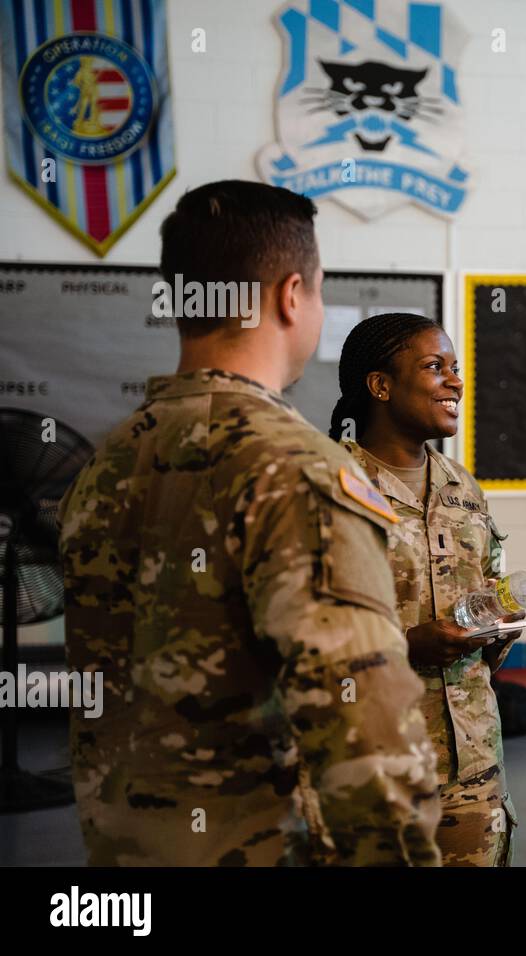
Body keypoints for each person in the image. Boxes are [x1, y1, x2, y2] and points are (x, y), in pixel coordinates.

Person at [58, 181, 442, 866]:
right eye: (319, 291)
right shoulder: (297, 469)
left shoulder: (106, 461)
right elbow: (364, 722)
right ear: (292, 295)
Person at [329, 313, 519, 866]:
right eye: (435, 367)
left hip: (472, 768)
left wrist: (498, 626)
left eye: (455, 368)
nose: (455, 381)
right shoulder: (328, 486)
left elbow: (489, 591)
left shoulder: (465, 490)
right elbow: (294, 638)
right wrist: (404, 648)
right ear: (380, 386)